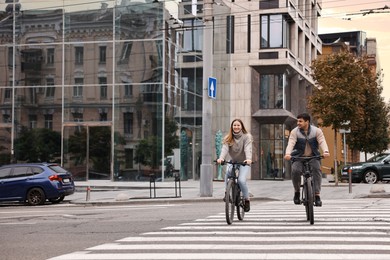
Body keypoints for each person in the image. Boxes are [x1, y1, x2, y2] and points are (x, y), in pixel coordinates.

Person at [284, 113, 330, 207]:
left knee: (317, 170)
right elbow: (291, 143)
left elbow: (322, 141)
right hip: (299, 157)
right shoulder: (294, 132)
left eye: (300, 121)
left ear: (307, 122)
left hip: (313, 156)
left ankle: (317, 195)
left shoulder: (316, 131)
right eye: (297, 121)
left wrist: (325, 151)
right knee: (295, 171)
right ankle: (297, 192)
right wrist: (288, 153)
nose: (298, 123)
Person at [217, 119, 253, 212]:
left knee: (241, 180)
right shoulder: (228, 137)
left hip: (244, 162)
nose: (236, 127)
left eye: (238, 125)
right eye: (234, 125)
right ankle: (227, 193)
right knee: (228, 174)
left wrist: (248, 159)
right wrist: (221, 158)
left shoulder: (247, 136)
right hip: (233, 161)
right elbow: (224, 149)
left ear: (241, 126)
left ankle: (247, 199)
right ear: (232, 127)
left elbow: (247, 148)